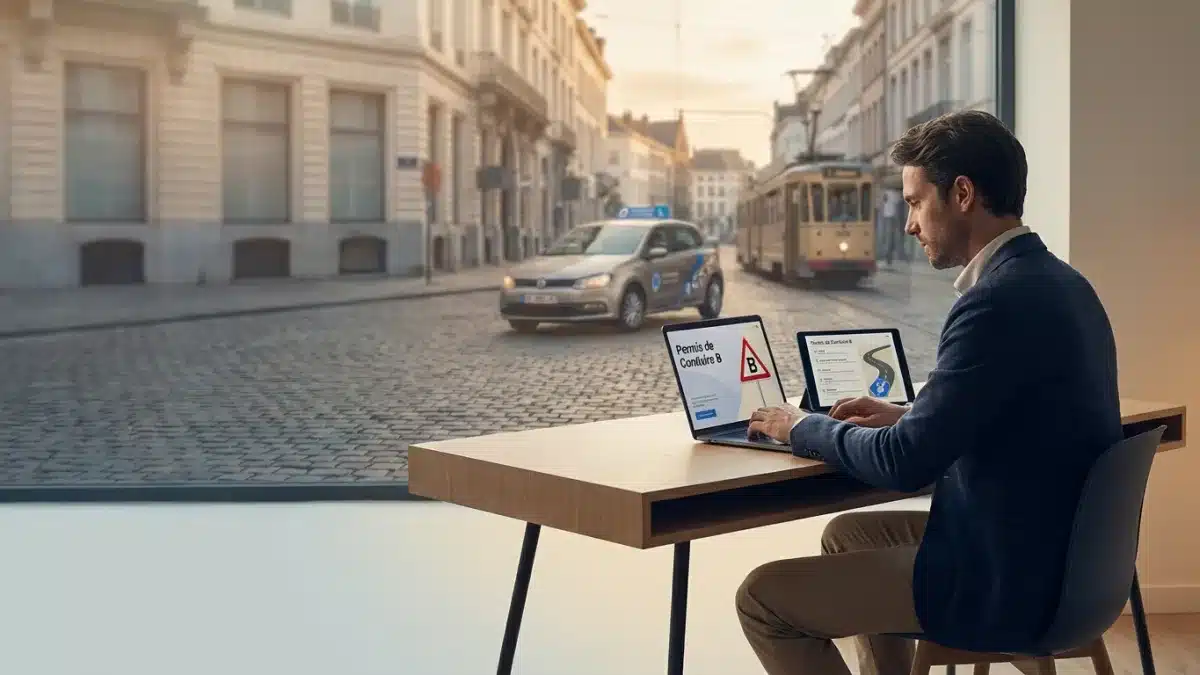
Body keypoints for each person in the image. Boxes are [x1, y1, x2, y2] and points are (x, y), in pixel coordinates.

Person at [739, 110, 1123, 675]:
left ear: (962, 194)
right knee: (851, 534)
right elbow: (1018, 417)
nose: (910, 225)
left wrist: (799, 426)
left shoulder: (994, 302)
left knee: (762, 600)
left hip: (1007, 577)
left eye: (917, 202)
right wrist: (912, 413)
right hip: (1070, 557)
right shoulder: (1063, 282)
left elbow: (903, 463)